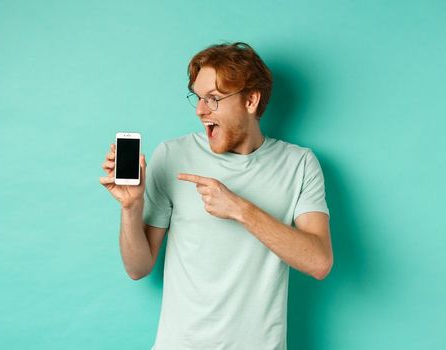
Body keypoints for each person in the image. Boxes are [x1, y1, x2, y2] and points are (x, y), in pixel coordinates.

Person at [99, 42, 333, 350]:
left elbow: (319, 262)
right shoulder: (173, 155)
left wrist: (240, 209)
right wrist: (131, 207)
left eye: (213, 99)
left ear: (251, 100)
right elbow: (137, 268)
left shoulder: (299, 164)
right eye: (197, 97)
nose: (200, 110)